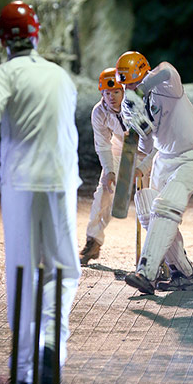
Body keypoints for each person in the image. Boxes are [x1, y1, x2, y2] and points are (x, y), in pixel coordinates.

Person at [0, 0, 81, 384]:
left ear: (1, 39)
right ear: (37, 34)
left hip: (20, 184)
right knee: (63, 269)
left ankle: (26, 366)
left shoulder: (3, 73)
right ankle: (51, 343)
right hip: (61, 182)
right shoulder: (61, 77)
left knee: (23, 271)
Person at [115, 51, 193, 295]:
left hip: (191, 154)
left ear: (144, 74)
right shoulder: (132, 101)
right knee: (147, 206)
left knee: (166, 207)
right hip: (164, 158)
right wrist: (136, 157)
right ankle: (183, 273)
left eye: (134, 82)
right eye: (126, 84)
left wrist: (142, 88)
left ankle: (145, 273)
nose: (131, 87)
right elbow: (144, 143)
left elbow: (167, 69)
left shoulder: (166, 85)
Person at [79, 68, 126, 265]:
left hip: (146, 151)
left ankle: (168, 255)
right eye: (107, 93)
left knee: (151, 201)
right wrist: (109, 171)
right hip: (118, 149)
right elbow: (102, 144)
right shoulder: (99, 112)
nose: (112, 97)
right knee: (103, 194)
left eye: (116, 92)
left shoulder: (136, 104)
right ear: (101, 93)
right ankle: (93, 241)